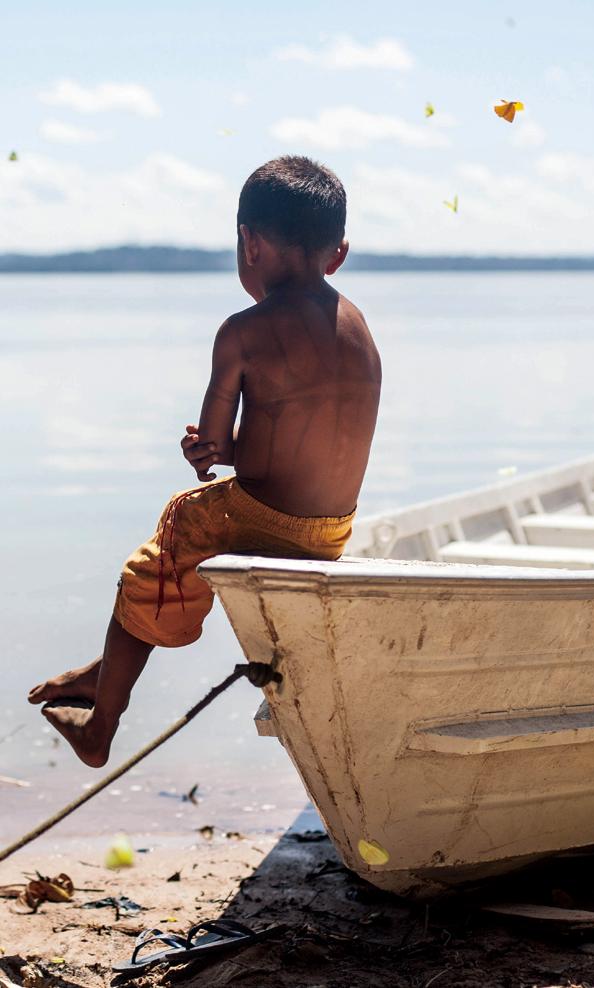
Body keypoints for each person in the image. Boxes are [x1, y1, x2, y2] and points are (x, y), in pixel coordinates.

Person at [28, 156, 381, 767]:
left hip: (264, 516)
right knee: (195, 534)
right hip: (331, 529)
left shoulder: (242, 331)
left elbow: (212, 462)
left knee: (163, 549)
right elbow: (300, 442)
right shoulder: (358, 327)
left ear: (248, 243)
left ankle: (99, 724)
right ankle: (105, 669)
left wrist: (206, 450)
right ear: (339, 253)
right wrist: (235, 452)